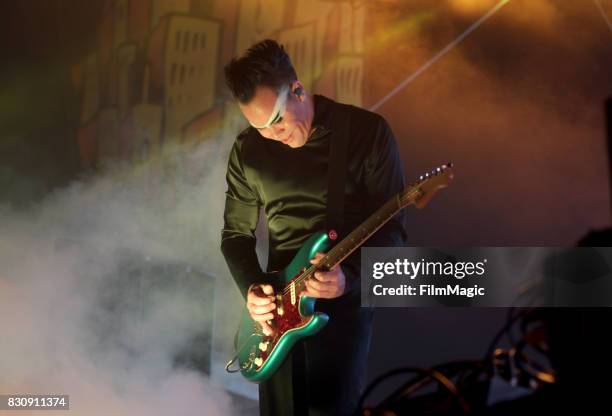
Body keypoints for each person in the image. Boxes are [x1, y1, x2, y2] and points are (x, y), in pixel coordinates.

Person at [221, 39, 407, 416]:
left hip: (339, 312)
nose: (272, 135)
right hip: (274, 321)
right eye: (259, 128)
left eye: (276, 121)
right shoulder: (248, 151)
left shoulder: (366, 133)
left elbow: (394, 235)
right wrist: (252, 289)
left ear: (298, 90)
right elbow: (235, 236)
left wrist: (349, 278)